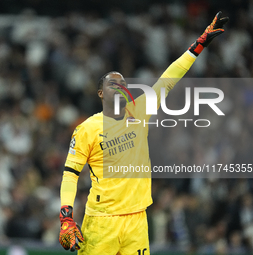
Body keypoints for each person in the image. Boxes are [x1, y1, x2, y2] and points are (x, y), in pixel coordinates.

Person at [58, 12, 229, 255]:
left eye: (123, 83)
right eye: (112, 84)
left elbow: (168, 79)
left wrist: (199, 44)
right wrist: (66, 216)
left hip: (137, 219)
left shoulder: (138, 110)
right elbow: (70, 175)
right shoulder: (87, 129)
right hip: (102, 222)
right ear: (100, 94)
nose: (119, 86)